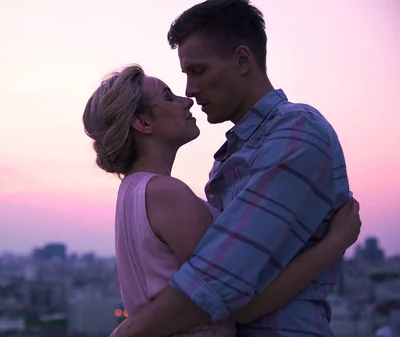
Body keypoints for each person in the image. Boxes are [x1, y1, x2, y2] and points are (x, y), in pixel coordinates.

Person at [88, 1, 356, 336]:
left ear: (242, 60)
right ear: (142, 123)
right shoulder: (225, 159)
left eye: (197, 71)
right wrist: (337, 242)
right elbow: (227, 292)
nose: (189, 92)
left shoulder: (295, 131)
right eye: (178, 85)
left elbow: (219, 284)